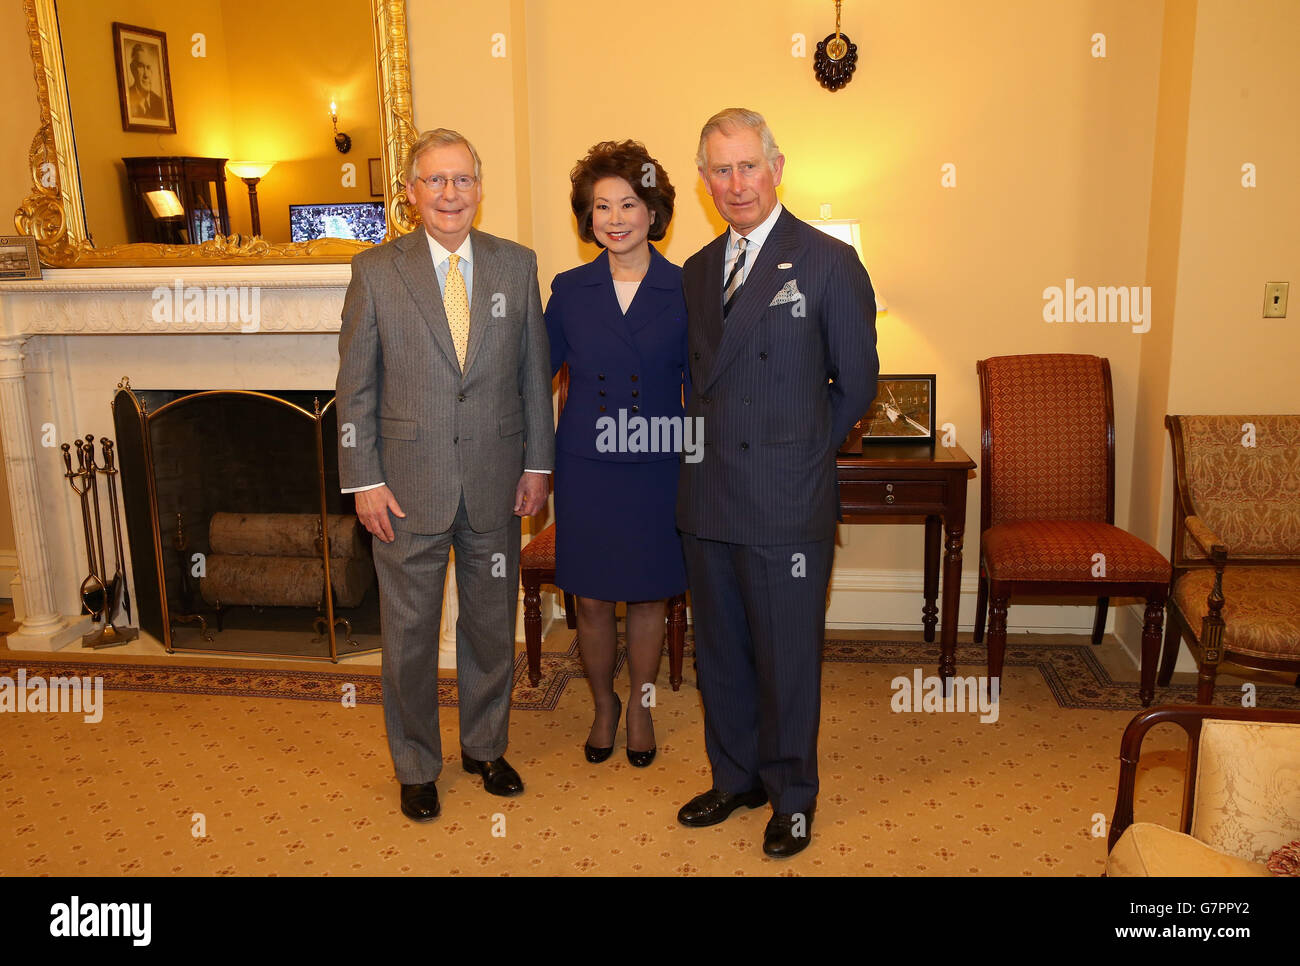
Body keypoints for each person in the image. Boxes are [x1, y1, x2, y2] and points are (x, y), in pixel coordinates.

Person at [675, 108, 878, 857]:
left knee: (787, 657)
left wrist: (798, 455)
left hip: (785, 499)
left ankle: (793, 795)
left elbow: (856, 382)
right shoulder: (697, 271)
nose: (736, 183)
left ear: (777, 167)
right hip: (707, 498)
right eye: (719, 170)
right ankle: (735, 778)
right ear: (703, 180)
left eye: (747, 165)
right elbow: (697, 384)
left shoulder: (827, 261)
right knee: (721, 652)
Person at [336, 128, 554, 822]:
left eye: (461, 180)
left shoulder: (516, 267)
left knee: (491, 628)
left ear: (480, 188)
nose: (449, 194)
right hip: (402, 491)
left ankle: (486, 748)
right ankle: (416, 765)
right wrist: (363, 479)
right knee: (408, 638)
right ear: (410, 192)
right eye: (434, 180)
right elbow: (355, 389)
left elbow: (532, 377)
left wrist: (537, 465)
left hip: (497, 483)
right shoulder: (375, 272)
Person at [545, 140, 688, 767]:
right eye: (602, 206)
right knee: (594, 597)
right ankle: (604, 704)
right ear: (587, 216)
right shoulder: (569, 289)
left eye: (629, 203)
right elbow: (535, 376)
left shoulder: (688, 288)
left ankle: (642, 705)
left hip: (658, 464)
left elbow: (707, 386)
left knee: (650, 595)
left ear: (653, 211)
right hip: (587, 464)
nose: (616, 218)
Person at [125, 45, 166, 120]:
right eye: (141, 66)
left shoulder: (161, 103)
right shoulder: (126, 100)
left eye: (148, 67)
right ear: (132, 69)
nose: (146, 75)